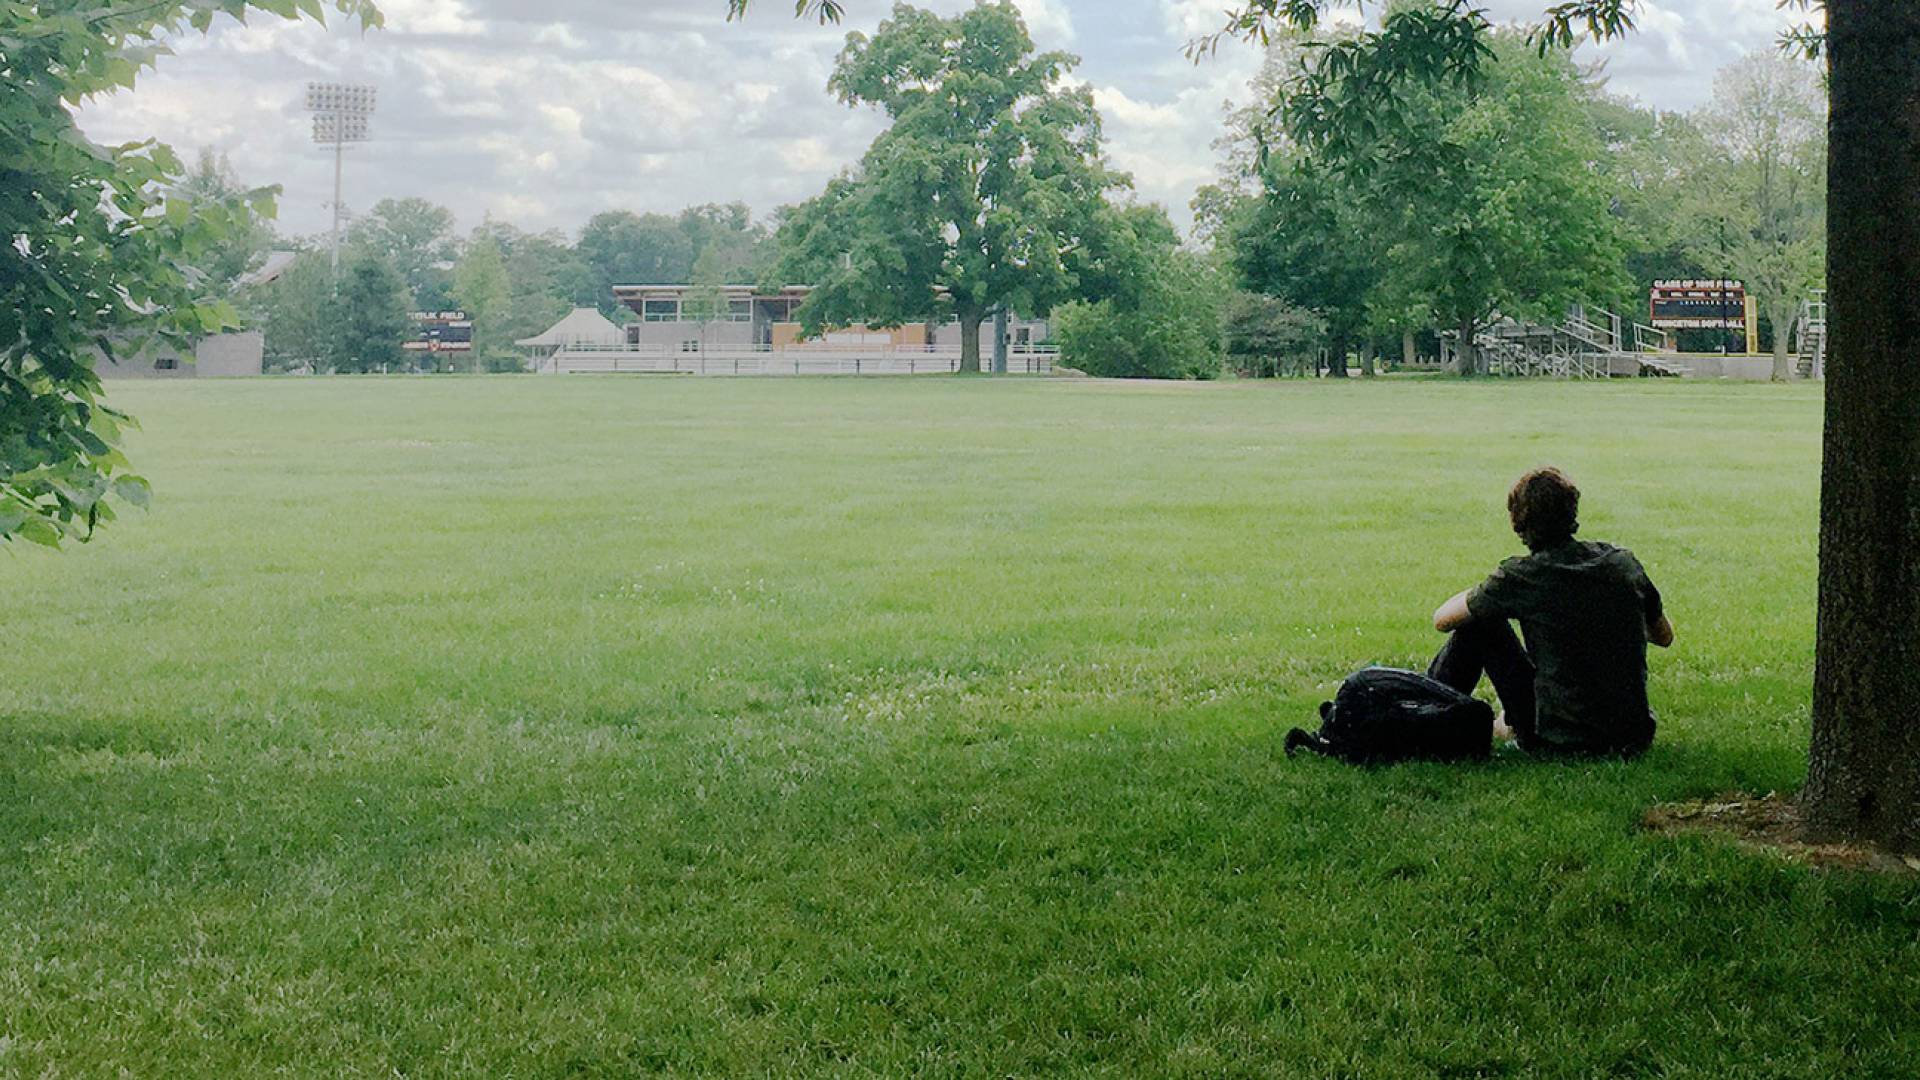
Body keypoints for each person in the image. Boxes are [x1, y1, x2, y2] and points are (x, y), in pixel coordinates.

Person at [1428, 467, 1674, 757]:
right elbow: (1664, 636)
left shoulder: (1523, 577)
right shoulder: (1622, 564)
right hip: (1632, 735)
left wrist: (1484, 592)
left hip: (1561, 740)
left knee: (1478, 625)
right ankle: (1500, 722)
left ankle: (1426, 716)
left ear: (1517, 520)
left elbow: (1443, 619)